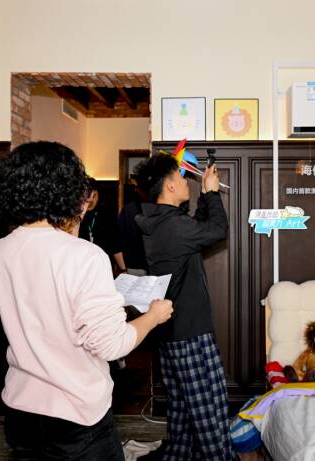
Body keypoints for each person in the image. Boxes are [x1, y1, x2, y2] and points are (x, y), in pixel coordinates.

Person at [0, 141, 173, 460]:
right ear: (67, 190)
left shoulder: (1, 249)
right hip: (75, 414)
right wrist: (153, 316)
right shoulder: (85, 256)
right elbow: (112, 345)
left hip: (21, 408)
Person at [134, 154, 233, 460]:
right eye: (180, 176)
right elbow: (217, 230)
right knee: (208, 409)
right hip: (190, 331)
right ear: (169, 186)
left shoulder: (161, 222)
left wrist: (204, 195)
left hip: (171, 330)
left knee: (182, 407)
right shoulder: (174, 226)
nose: (185, 180)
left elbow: (197, 228)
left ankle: (180, 455)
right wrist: (212, 193)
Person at [116, 182, 149, 276]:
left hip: (150, 267)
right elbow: (118, 241)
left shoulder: (128, 209)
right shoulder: (129, 210)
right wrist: (123, 269)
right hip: (135, 267)